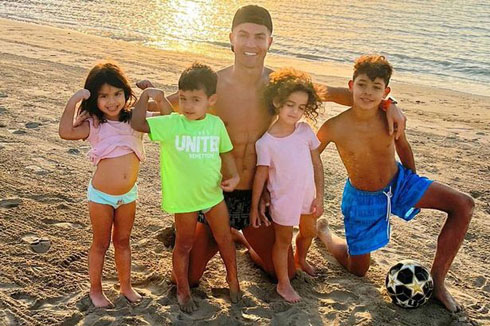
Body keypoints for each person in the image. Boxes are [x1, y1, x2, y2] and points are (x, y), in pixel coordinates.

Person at [137, 5, 407, 284]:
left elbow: (345, 94)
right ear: (231, 38)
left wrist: (389, 103)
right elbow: (166, 110)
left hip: (256, 198)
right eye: (243, 35)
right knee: (188, 279)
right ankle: (221, 233)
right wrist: (129, 105)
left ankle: (245, 240)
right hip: (214, 196)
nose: (250, 43)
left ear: (270, 42)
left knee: (284, 273)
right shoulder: (212, 84)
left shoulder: (280, 84)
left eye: (259, 36)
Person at [315, 55, 474, 312]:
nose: (368, 93)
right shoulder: (333, 126)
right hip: (362, 199)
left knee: (464, 204)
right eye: (362, 85)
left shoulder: (389, 116)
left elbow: (403, 146)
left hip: (398, 183)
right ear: (351, 85)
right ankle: (324, 234)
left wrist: (415, 184)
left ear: (386, 92)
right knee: (358, 270)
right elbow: (310, 156)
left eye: (376, 87)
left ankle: (439, 283)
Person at [131, 63, 241, 313]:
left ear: (211, 100)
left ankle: (233, 279)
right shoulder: (172, 124)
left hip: (213, 195)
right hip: (184, 200)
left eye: (195, 99)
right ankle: (182, 289)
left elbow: (227, 153)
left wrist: (233, 176)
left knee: (225, 239)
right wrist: (147, 96)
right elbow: (138, 123)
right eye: (183, 99)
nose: (188, 105)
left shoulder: (215, 125)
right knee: (184, 244)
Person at [58, 62, 158, 308]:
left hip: (128, 195)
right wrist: (74, 101)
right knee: (101, 243)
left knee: (123, 241)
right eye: (103, 96)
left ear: (125, 93)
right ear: (95, 99)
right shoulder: (94, 123)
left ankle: (126, 286)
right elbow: (64, 132)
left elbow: (166, 116)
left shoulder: (135, 119)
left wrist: (152, 91)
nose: (111, 101)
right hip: (101, 196)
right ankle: (96, 290)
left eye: (116, 94)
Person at [250, 68, 324, 302]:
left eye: (301, 107)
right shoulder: (266, 142)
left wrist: (320, 196)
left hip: (307, 197)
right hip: (283, 201)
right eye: (290, 105)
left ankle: (301, 259)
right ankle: (283, 284)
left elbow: (317, 164)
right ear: (277, 102)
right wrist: (255, 207)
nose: (295, 112)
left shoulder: (305, 131)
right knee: (283, 242)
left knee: (309, 231)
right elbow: (260, 177)